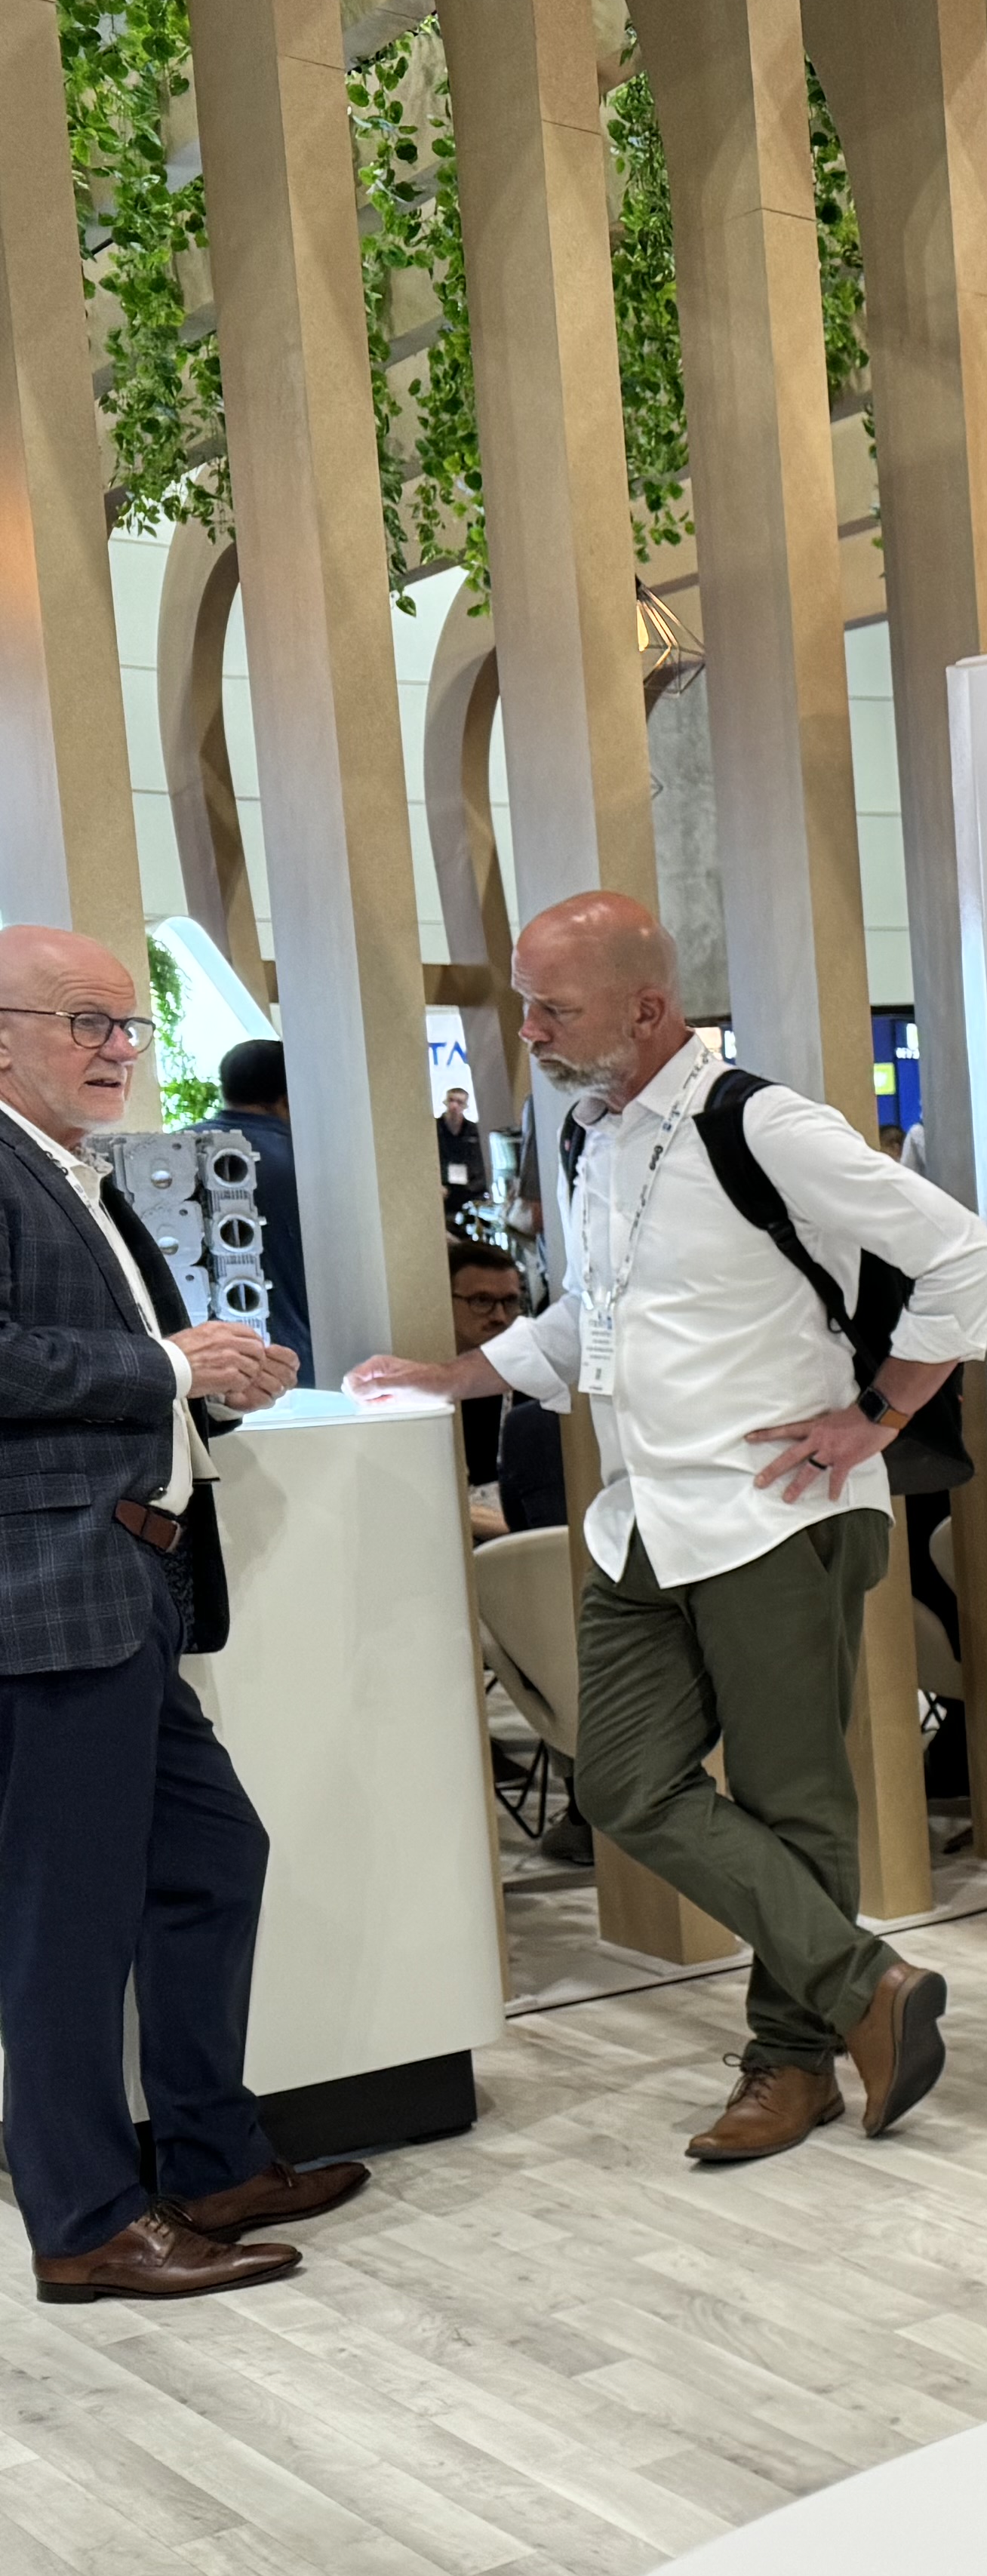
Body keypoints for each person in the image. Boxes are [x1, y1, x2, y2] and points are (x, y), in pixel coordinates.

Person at [350, 893, 987, 2166]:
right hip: (641, 1519)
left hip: (776, 1513)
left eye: (555, 1007)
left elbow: (965, 1256)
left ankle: (791, 2061)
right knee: (624, 1783)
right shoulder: (591, 1134)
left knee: (792, 1799)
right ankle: (862, 1981)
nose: (530, 1030)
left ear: (647, 1006)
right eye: (526, 1004)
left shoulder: (761, 1124)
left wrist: (878, 1414)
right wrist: (458, 1374)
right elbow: (593, 1316)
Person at [0, 926, 361, 2301]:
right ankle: (86, 2223)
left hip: (129, 1583)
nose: (118, 1048)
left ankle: (211, 2160)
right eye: (84, 1021)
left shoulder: (71, 1170)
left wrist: (217, 1387)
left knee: (212, 1858)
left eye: (126, 1025)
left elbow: (120, 1369)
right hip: (49, 1594)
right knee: (67, 1923)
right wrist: (167, 1364)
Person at [213, 1034, 309, 1383]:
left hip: (210, 1369)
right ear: (289, 1097)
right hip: (300, 1366)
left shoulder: (176, 1154)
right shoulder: (310, 1160)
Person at [444, 1233, 527, 1514]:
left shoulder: (533, 1389)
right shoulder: (425, 1391)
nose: (500, 1317)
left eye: (510, 1302)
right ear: (445, 1300)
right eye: (482, 1301)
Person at [435, 1084, 484, 1219]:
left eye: (459, 1102)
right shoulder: (435, 1129)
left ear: (465, 1106)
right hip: (444, 1189)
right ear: (445, 1102)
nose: (454, 1106)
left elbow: (480, 1163)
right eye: (451, 1100)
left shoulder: (474, 1131)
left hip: (469, 1189)